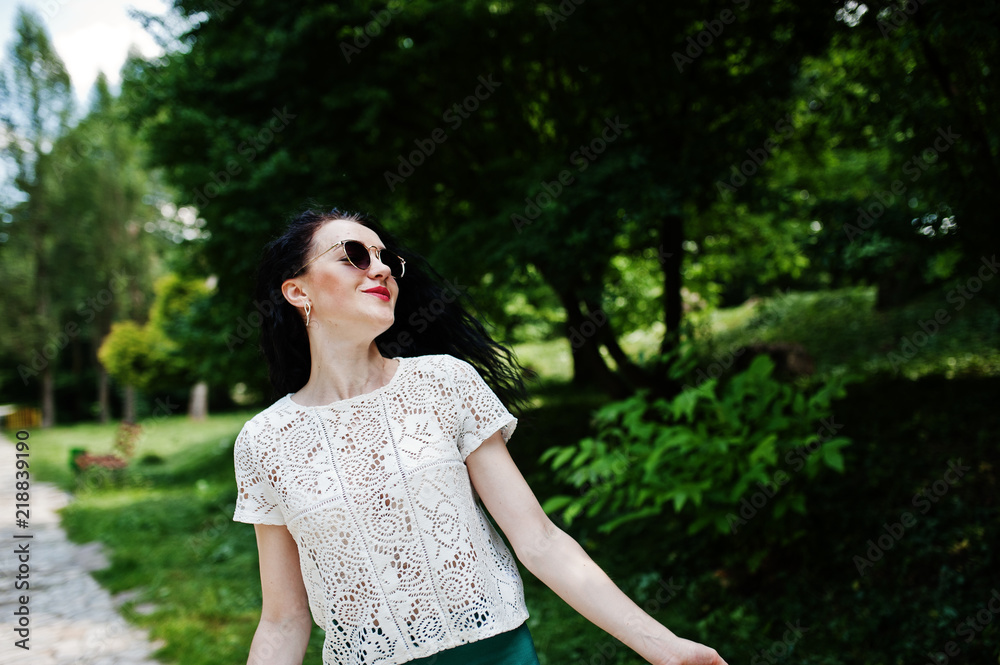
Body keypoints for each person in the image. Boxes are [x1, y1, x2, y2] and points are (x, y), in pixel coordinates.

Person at [233, 208, 728, 665]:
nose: (380, 269)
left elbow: (539, 540)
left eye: (386, 258)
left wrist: (665, 648)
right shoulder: (264, 442)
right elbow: (283, 619)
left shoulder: (444, 383)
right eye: (355, 257)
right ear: (298, 291)